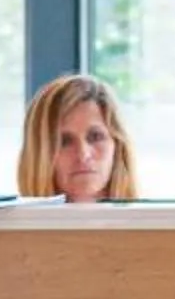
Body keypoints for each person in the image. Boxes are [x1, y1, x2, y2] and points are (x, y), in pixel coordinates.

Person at [16, 73, 139, 203]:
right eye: (64, 142)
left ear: (118, 146)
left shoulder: (154, 221)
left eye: (95, 137)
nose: (83, 154)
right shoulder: (5, 223)